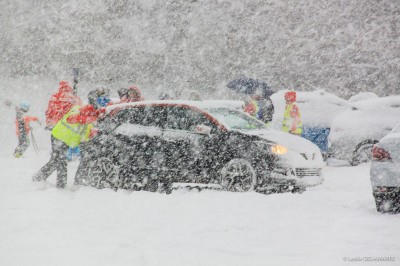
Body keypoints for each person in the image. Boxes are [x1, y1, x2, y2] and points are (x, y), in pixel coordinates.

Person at [33, 94, 105, 189]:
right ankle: (60, 186)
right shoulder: (76, 110)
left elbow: (86, 136)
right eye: (88, 116)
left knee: (56, 160)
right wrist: (87, 119)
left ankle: (39, 177)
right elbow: (71, 119)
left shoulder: (87, 124)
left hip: (65, 142)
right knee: (61, 161)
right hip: (58, 137)